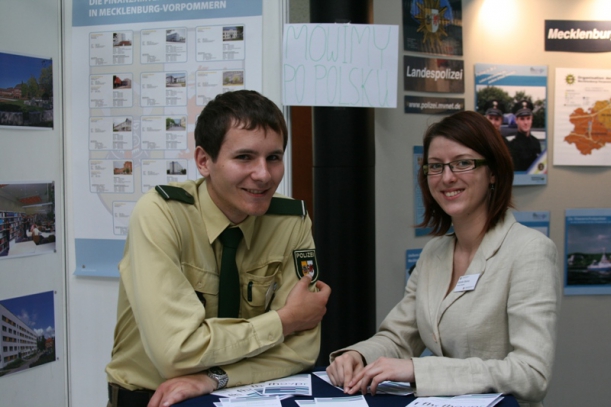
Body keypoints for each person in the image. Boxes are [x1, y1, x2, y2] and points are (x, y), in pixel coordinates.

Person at [106, 90, 331, 407]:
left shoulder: (291, 222)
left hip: (246, 395)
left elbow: (301, 350)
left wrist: (215, 377)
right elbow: (176, 353)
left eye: (274, 158)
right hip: (154, 399)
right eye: (244, 157)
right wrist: (285, 321)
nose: (264, 175)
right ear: (204, 161)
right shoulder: (161, 214)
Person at [326, 111, 560, 407]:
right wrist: (357, 355)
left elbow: (532, 374)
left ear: (493, 172)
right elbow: (399, 337)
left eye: (463, 163)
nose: (447, 177)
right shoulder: (433, 254)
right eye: (436, 166)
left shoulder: (530, 250)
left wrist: (419, 370)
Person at [508, 100, 541, 171]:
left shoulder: (536, 143)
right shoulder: (511, 146)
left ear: (532, 119)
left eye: (528, 118)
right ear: (516, 120)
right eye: (522, 119)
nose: (526, 122)